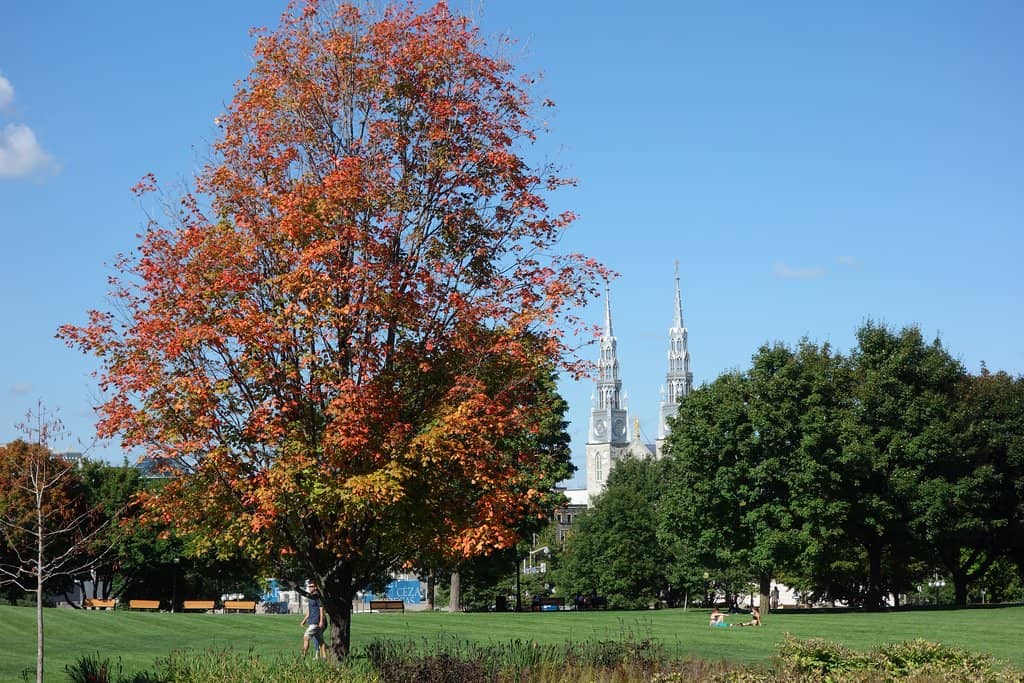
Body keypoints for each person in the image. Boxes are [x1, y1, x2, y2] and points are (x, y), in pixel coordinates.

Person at [301, 581, 326, 658]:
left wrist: (321, 621)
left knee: (306, 637)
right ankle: (325, 657)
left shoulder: (317, 596)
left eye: (312, 586)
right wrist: (304, 620)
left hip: (315, 623)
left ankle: (303, 656)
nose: (310, 588)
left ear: (316, 587)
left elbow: (321, 608)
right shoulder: (311, 597)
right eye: (309, 586)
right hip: (313, 622)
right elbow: (310, 610)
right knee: (321, 642)